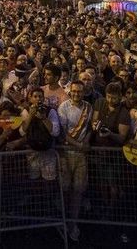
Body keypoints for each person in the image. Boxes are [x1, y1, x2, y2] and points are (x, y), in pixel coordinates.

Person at [57, 80, 93, 242]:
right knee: (65, 189)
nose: (77, 94)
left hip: (81, 155)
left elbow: (90, 128)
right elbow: (62, 133)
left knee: (78, 190)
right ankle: (64, 220)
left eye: (80, 91)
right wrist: (79, 144)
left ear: (84, 92)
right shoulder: (63, 107)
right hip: (66, 153)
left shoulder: (89, 107)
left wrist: (85, 143)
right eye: (74, 91)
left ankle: (73, 223)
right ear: (70, 91)